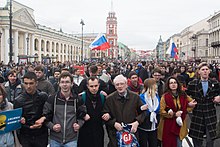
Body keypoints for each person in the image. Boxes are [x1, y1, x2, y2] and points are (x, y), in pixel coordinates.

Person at [41, 71, 86, 147]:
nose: (65, 85)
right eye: (62, 82)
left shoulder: (77, 99)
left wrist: (79, 124)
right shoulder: (52, 99)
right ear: (59, 83)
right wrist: (52, 126)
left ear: (72, 84)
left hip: (71, 139)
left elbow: (83, 115)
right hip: (55, 139)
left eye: (67, 82)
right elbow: (45, 116)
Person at [103, 74, 146, 147]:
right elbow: (105, 115)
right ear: (115, 86)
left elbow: (143, 112)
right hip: (115, 134)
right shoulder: (109, 99)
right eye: (117, 84)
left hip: (131, 133)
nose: (120, 86)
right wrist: (114, 123)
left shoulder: (135, 97)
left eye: (122, 84)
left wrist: (137, 122)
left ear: (126, 84)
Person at [186, 62, 220, 147]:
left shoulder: (215, 83)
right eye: (203, 70)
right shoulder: (192, 84)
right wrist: (188, 103)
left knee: (210, 138)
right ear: (199, 72)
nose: (205, 71)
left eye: (206, 69)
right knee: (196, 138)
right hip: (197, 114)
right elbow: (184, 96)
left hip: (210, 114)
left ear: (209, 71)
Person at [158, 76, 197, 147]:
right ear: (168, 85)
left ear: (178, 84)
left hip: (180, 124)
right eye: (171, 83)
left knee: (179, 144)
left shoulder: (183, 94)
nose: (173, 84)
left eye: (175, 82)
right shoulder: (165, 96)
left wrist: (185, 110)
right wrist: (174, 114)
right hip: (167, 125)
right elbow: (161, 111)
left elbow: (192, 103)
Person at [14, 72, 48, 147]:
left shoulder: (43, 96)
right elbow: (16, 120)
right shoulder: (18, 100)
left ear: (36, 83)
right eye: (26, 83)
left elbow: (49, 112)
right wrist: (27, 125)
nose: (28, 86)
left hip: (41, 135)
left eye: (31, 83)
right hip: (26, 135)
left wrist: (43, 119)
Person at [77, 76, 109, 147]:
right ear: (87, 86)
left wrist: (107, 114)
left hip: (98, 130)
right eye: (91, 86)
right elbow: (76, 111)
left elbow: (107, 110)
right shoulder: (81, 97)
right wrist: (83, 115)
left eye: (96, 86)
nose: (94, 88)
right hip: (85, 131)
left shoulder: (103, 97)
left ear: (99, 85)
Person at [138, 78, 160, 147]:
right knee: (143, 144)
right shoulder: (141, 97)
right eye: (155, 84)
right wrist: (141, 109)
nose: (156, 86)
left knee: (153, 144)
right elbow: (137, 110)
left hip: (154, 125)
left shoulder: (156, 96)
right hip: (143, 125)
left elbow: (158, 108)